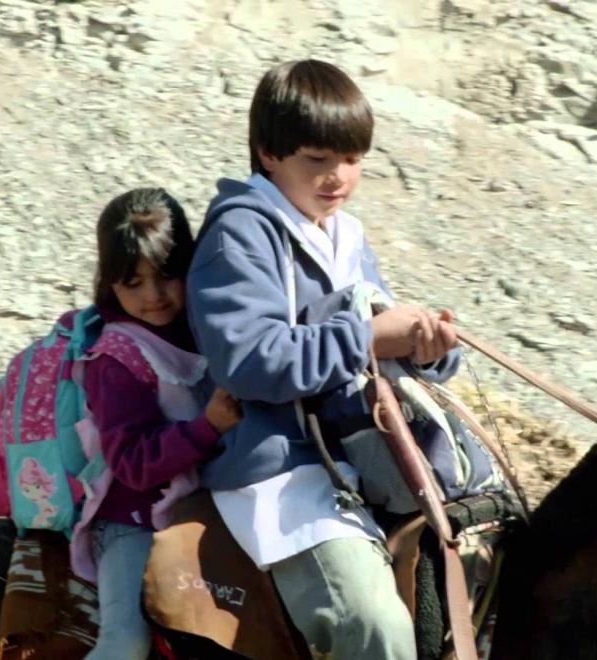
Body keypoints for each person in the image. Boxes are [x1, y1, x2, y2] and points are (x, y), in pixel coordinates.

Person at [184, 59, 462, 660]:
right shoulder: (239, 234)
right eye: (317, 159)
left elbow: (372, 347)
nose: (337, 177)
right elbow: (248, 360)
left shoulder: (345, 236)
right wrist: (366, 336)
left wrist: (427, 352)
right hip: (284, 476)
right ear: (267, 152)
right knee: (375, 629)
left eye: (353, 160)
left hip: (361, 462)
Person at [71, 187, 242, 659]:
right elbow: (131, 463)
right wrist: (206, 428)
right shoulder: (117, 358)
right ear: (110, 284)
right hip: (131, 519)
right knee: (125, 641)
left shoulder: (205, 328)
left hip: (203, 507)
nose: (153, 297)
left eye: (167, 276)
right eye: (133, 283)